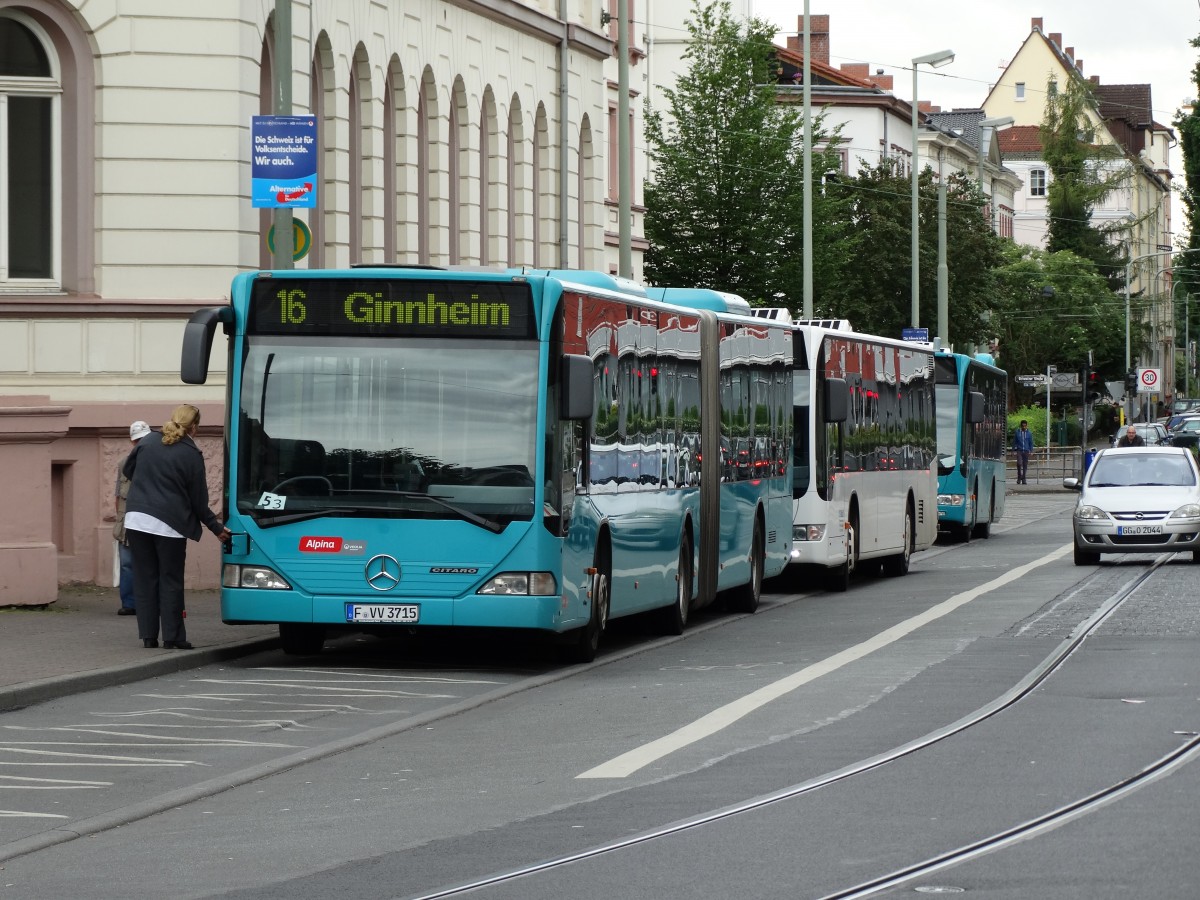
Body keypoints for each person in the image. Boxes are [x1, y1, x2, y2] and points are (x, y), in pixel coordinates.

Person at [123, 405, 230, 649]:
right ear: (195, 427)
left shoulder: (148, 441)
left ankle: (148, 637)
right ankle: (173, 637)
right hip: (169, 525)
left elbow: (129, 470)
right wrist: (216, 528)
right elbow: (198, 500)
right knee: (170, 580)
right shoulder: (191, 454)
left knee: (145, 579)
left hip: (137, 519)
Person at [113, 420, 152, 615]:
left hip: (149, 519)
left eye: (144, 440)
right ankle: (129, 604)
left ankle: (151, 603)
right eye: (137, 441)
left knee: (150, 563)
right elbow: (118, 495)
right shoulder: (123, 463)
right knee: (127, 564)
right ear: (132, 442)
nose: (140, 444)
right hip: (127, 521)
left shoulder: (157, 463)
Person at [1012, 420, 1034, 485]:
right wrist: (1013, 450)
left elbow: (1031, 443)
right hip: (1019, 450)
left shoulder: (1029, 433)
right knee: (1019, 463)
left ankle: (1023, 478)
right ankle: (1019, 477)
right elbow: (1014, 442)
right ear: (1021, 426)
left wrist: (1031, 451)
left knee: (1025, 465)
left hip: (1026, 450)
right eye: (1022, 426)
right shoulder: (1017, 432)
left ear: (1026, 426)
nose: (1024, 427)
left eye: (1025, 426)